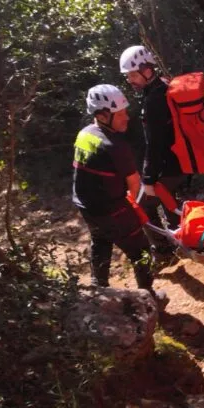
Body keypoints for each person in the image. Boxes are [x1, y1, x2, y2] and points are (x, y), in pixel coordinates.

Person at [72, 84, 168, 309]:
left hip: (86, 206)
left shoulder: (85, 134)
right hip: (110, 208)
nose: (127, 117)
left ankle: (99, 290)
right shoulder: (115, 146)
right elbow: (135, 186)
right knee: (141, 249)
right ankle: (149, 299)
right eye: (121, 113)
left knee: (101, 241)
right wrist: (137, 211)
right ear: (103, 115)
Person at [119, 45, 186, 234]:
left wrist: (148, 179)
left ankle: (163, 250)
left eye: (133, 75)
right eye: (128, 76)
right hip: (178, 161)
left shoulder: (153, 101)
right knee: (169, 203)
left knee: (141, 207)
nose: (129, 80)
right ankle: (181, 240)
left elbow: (155, 144)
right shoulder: (164, 85)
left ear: (147, 71)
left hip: (169, 166)